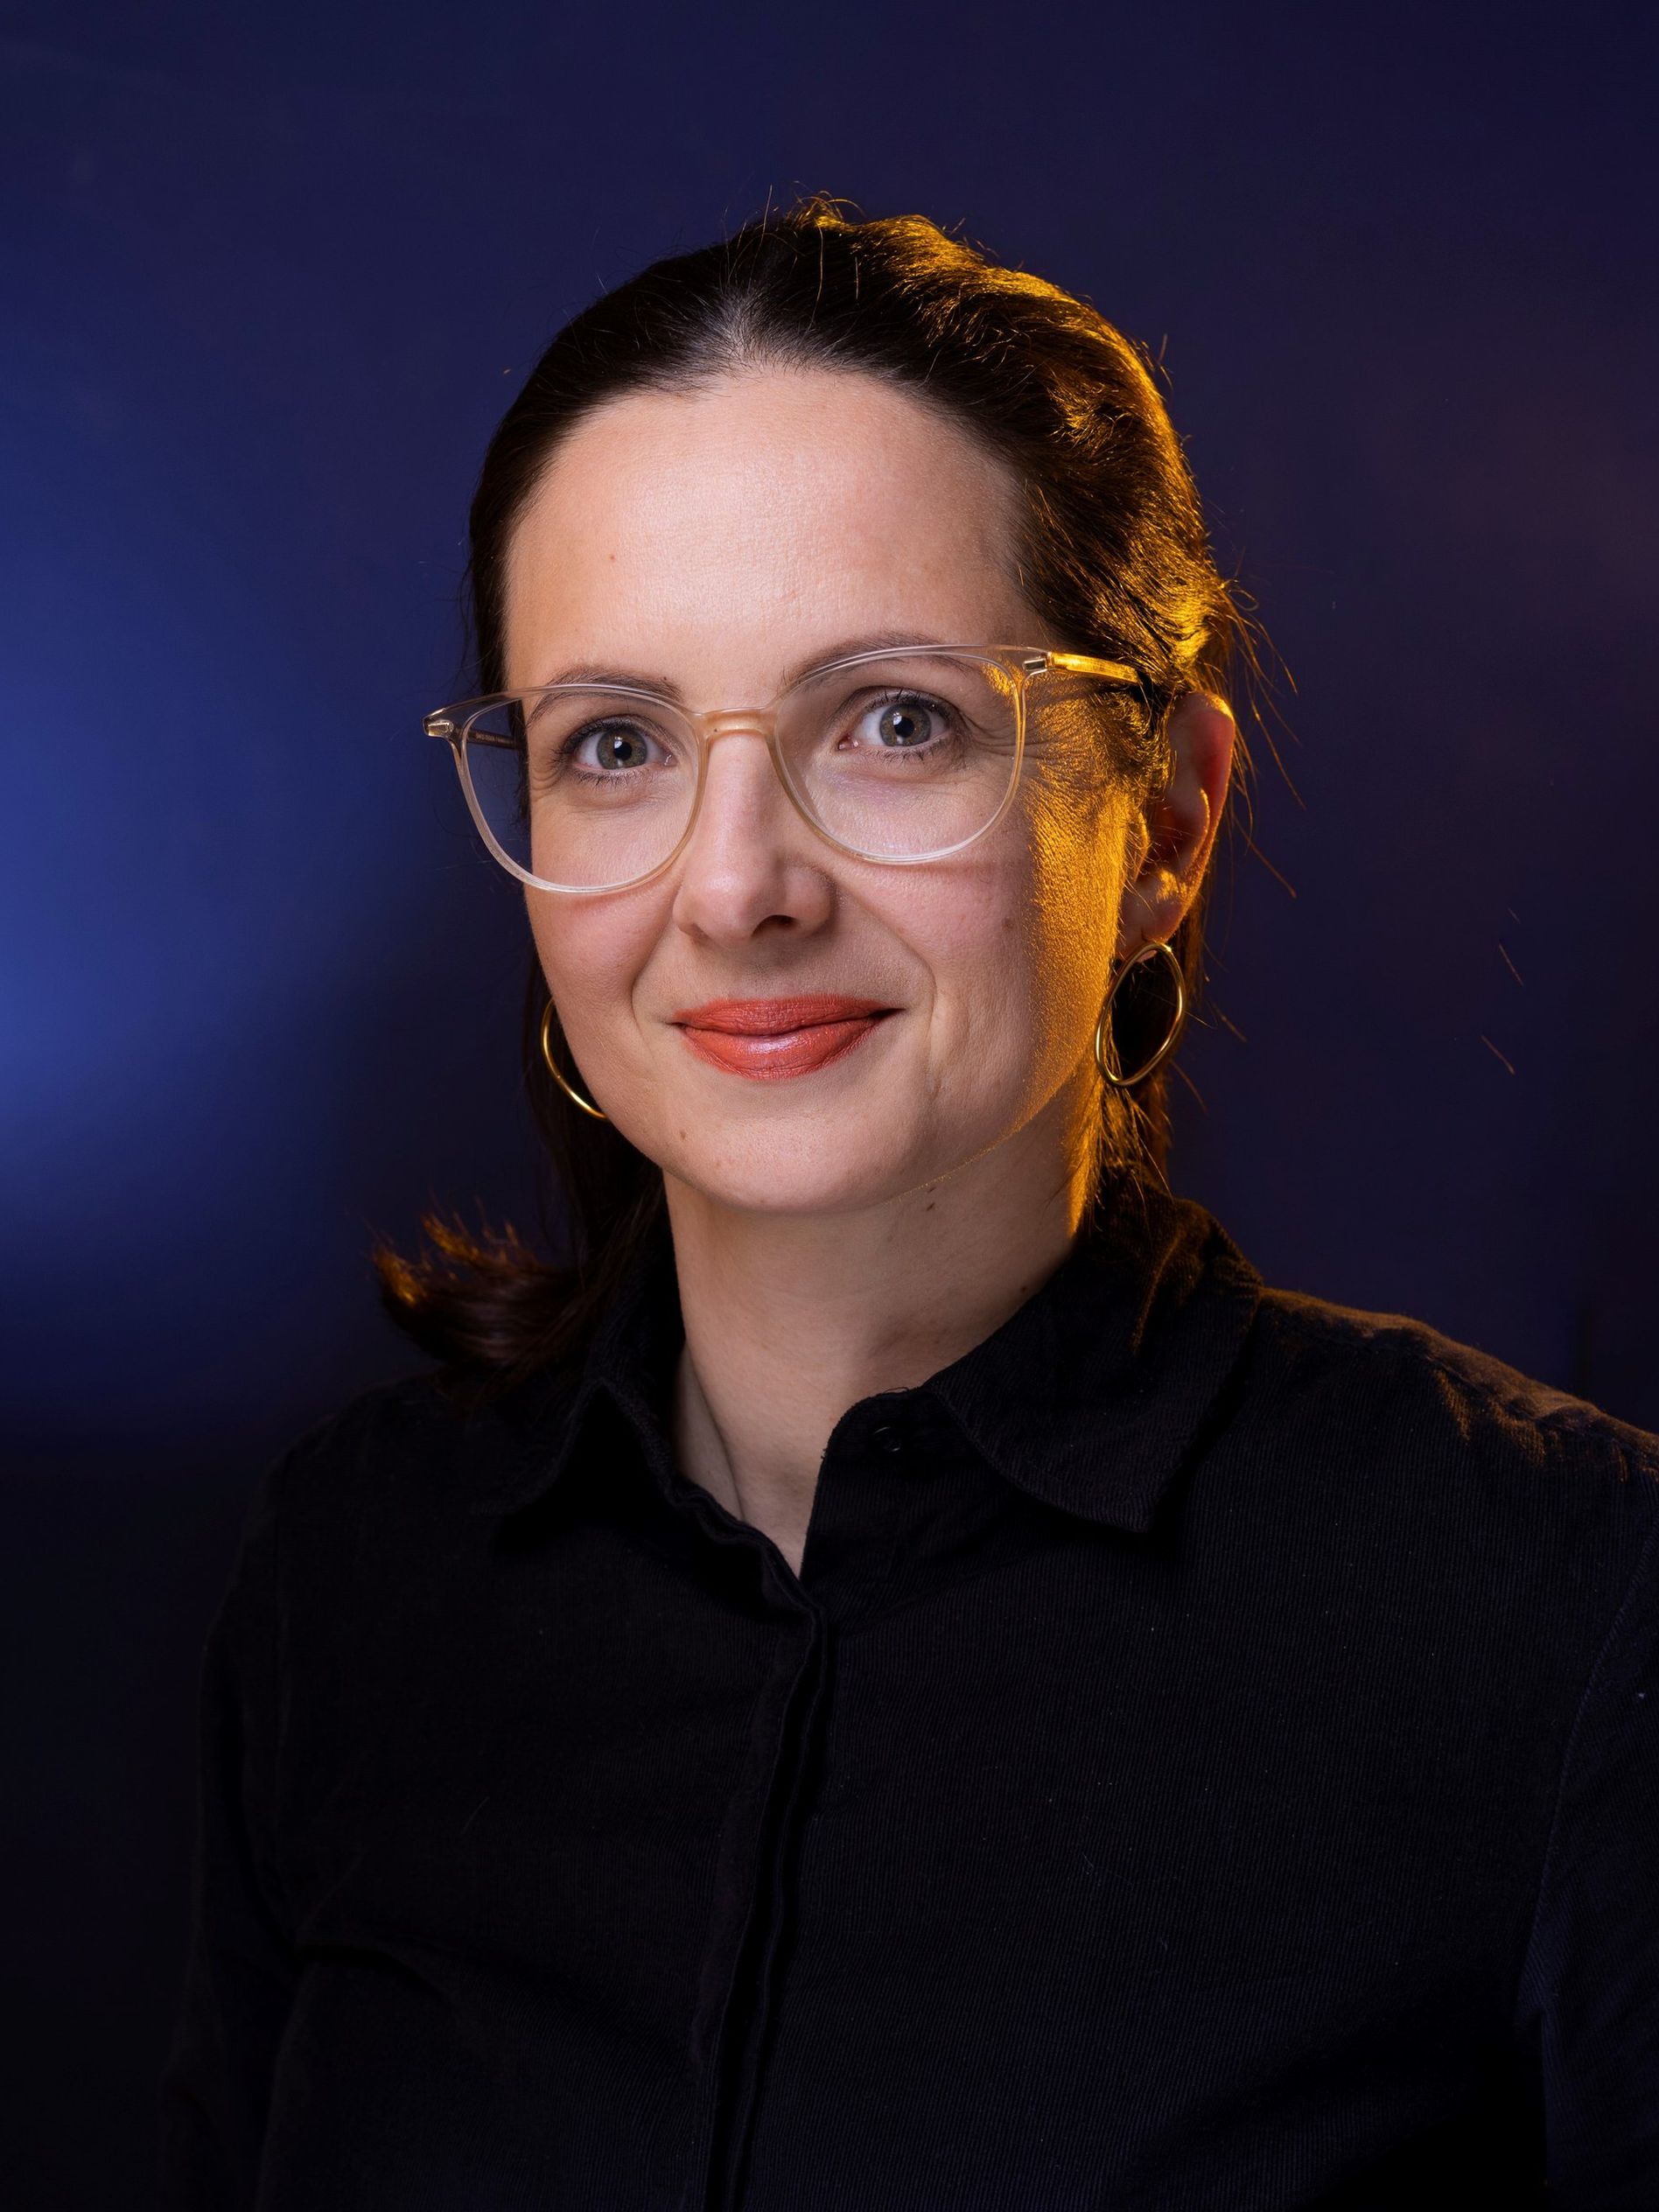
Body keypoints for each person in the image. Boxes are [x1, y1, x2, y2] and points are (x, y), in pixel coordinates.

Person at [158, 200, 1659, 2209]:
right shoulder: (355, 1577)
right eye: (618, 743)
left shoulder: (1561, 1615)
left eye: (894, 721)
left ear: (1168, 822)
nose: (735, 884)